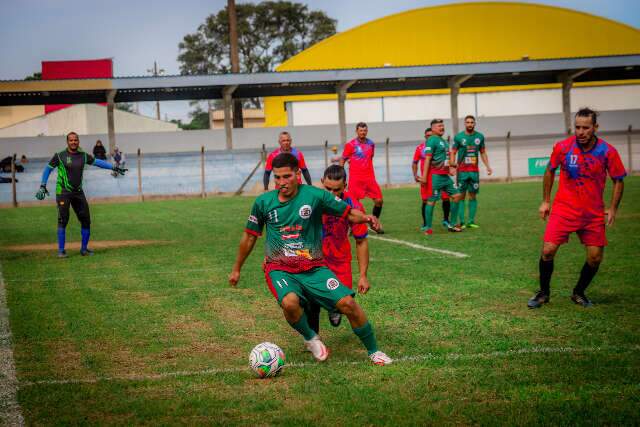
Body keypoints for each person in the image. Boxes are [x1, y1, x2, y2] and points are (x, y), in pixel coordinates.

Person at [229, 153, 392, 365]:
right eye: (277, 177)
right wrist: (237, 269)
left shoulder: (315, 196)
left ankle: (374, 351)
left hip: (313, 267)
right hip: (279, 268)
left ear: (298, 174)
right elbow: (250, 237)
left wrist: (368, 218)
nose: (281, 182)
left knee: (348, 303)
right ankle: (310, 337)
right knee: (289, 303)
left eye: (286, 176)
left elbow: (348, 213)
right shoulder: (263, 202)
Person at [528, 108, 626, 309]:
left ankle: (579, 292)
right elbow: (549, 170)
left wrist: (613, 208)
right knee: (548, 250)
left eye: (586, 128)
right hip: (564, 209)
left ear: (595, 127)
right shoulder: (563, 147)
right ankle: (543, 293)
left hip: (592, 213)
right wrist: (546, 201)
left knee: (595, 257)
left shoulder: (608, 151)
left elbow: (619, 180)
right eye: (578, 127)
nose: (581, 132)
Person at [36, 132, 127, 257]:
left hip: (78, 192)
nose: (73, 142)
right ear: (67, 142)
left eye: (75, 140)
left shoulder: (83, 156)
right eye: (71, 140)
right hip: (63, 192)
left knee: (86, 220)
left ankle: (84, 249)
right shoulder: (59, 155)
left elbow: (97, 162)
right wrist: (42, 186)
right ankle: (61, 251)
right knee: (63, 220)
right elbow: (48, 169)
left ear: (78, 141)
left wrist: (114, 167)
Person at [306, 165, 372, 332]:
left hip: (340, 260)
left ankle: (334, 308)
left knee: (344, 303)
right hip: (314, 258)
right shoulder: (310, 201)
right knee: (309, 300)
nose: (332, 194)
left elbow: (361, 241)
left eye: (337, 190)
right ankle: (313, 339)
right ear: (321, 182)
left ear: (345, 186)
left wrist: (363, 275)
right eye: (328, 189)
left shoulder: (353, 206)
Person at [420, 119, 464, 235]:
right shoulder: (432, 140)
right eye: (439, 126)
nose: (442, 128)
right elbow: (428, 159)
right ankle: (428, 228)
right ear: (433, 128)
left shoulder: (443, 141)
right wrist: (424, 177)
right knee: (431, 201)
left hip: (445, 176)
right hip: (436, 177)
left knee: (457, 195)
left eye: (443, 126)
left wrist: (452, 166)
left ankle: (453, 224)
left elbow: (444, 159)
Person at [340, 122, 385, 233]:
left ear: (367, 131)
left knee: (379, 200)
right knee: (353, 204)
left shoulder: (371, 144)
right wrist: (341, 176)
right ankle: (352, 227)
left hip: (369, 178)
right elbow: (343, 160)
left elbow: (370, 157)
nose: (363, 133)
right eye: (361, 130)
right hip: (355, 178)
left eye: (364, 130)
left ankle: (374, 223)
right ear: (357, 131)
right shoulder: (350, 145)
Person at [452, 115, 493, 228]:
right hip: (462, 171)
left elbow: (483, 152)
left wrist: (488, 166)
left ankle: (471, 221)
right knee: (461, 196)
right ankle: (462, 222)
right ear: (465, 124)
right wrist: (452, 165)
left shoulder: (480, 137)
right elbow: (453, 151)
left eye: (472, 122)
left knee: (473, 196)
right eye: (468, 122)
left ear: (474, 124)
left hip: (474, 171)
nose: (470, 124)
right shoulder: (459, 137)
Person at [413, 127, 451, 229]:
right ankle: (425, 224)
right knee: (426, 200)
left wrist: (450, 169)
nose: (430, 137)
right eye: (428, 135)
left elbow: (448, 158)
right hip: (426, 179)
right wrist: (415, 175)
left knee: (446, 197)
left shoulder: (440, 146)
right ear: (425, 136)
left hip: (440, 176)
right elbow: (415, 162)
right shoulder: (420, 148)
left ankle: (446, 220)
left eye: (432, 135)